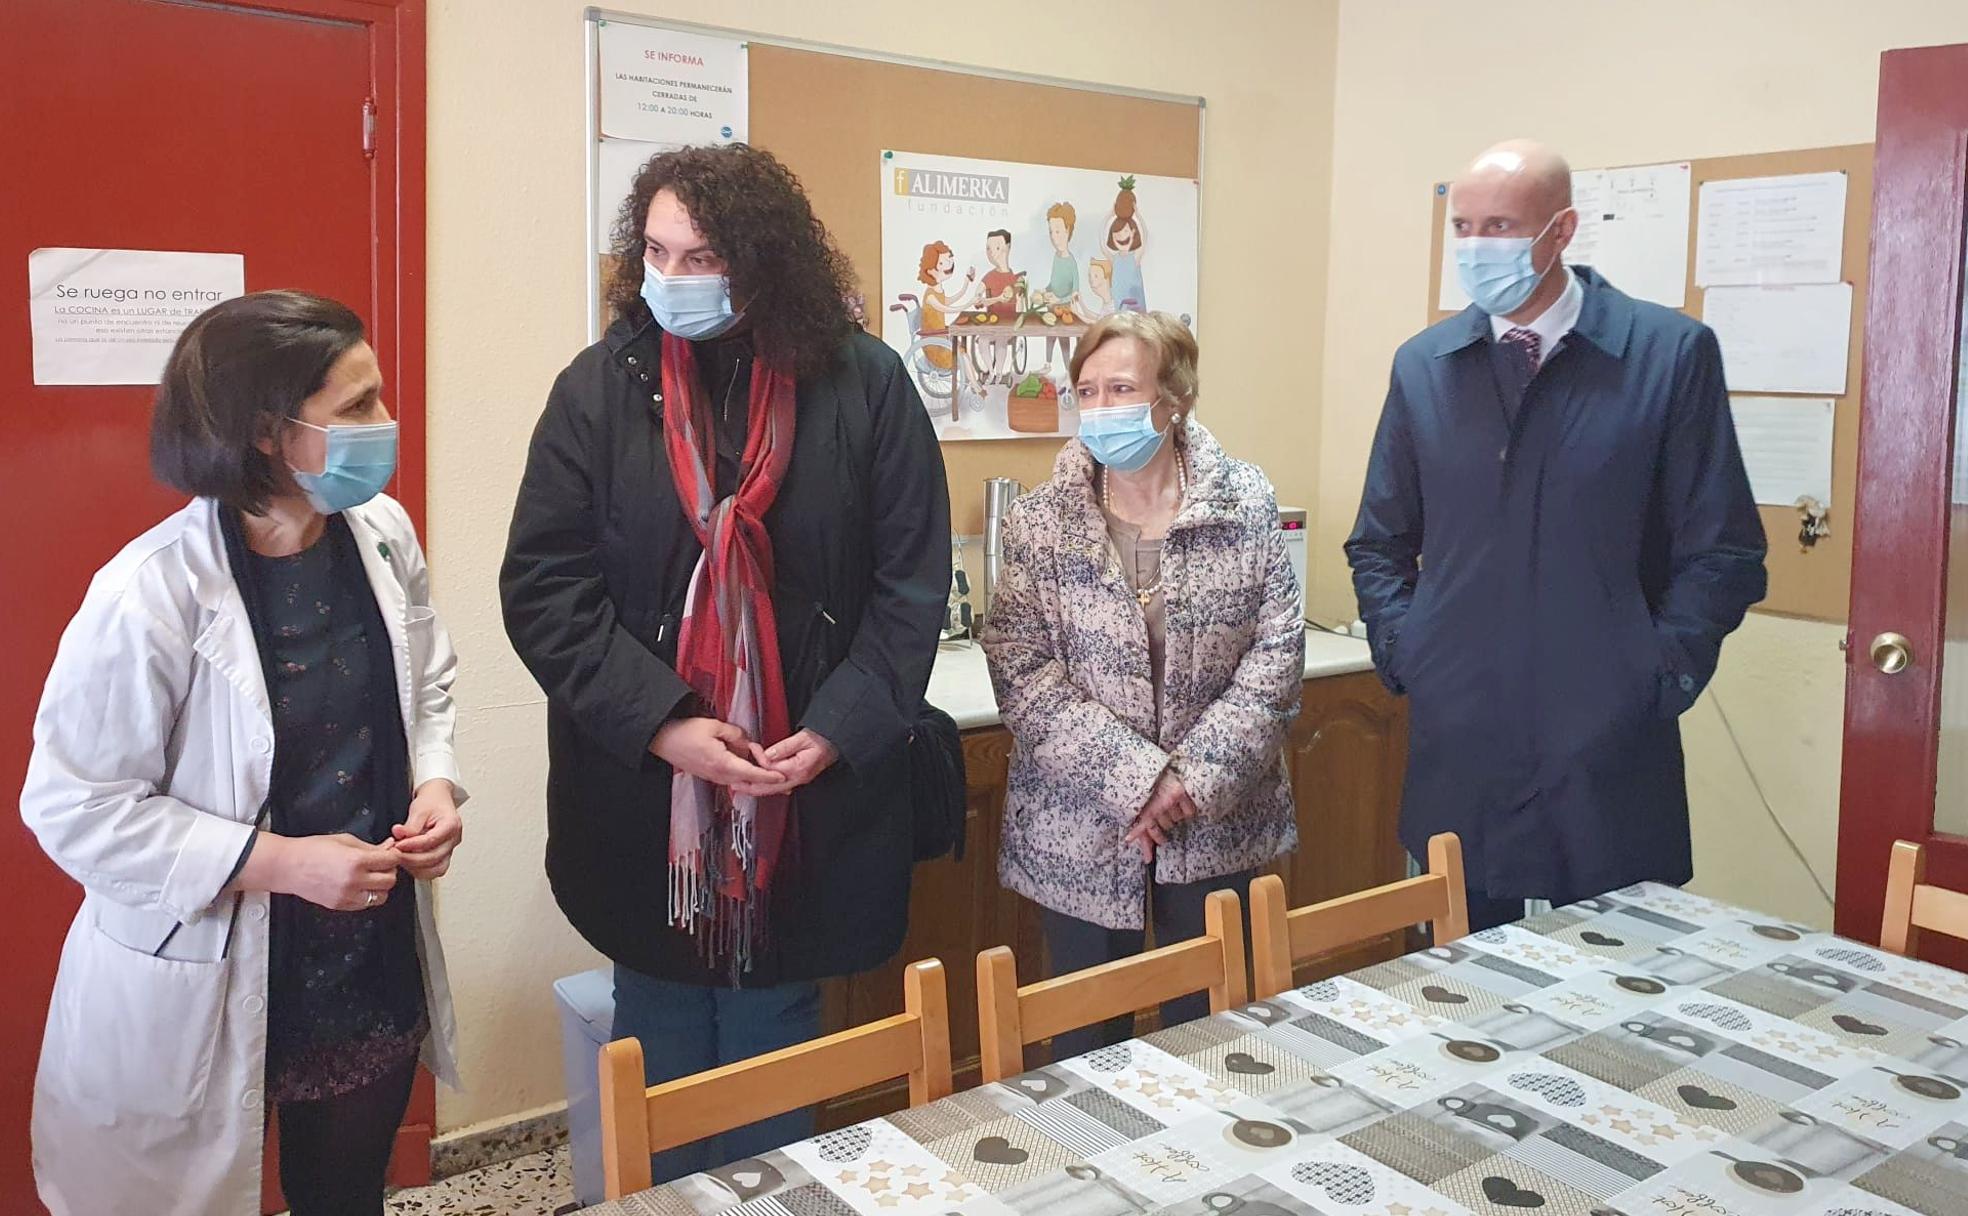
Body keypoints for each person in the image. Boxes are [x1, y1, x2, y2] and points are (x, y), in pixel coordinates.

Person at [501, 144, 950, 1181]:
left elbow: (911, 588)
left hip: (804, 797)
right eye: (656, 252)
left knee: (772, 1055)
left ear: (762, 261)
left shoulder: (867, 384)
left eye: (700, 257)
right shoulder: (598, 389)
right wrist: (663, 722)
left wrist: (835, 728)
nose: (672, 277)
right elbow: (544, 588)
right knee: (657, 1034)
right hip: (646, 801)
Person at [21, 291, 467, 1216]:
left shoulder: (383, 536)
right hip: (206, 963)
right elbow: (74, 807)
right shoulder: (148, 594)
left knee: (345, 1195)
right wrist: (281, 864)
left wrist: (434, 782)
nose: (385, 422)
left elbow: (426, 681)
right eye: (357, 405)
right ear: (267, 433)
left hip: (359, 958)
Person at [1346, 139, 1767, 932]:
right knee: (1458, 978)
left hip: (1606, 743)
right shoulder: (1427, 366)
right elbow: (1379, 541)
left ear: (1562, 229)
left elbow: (1724, 552)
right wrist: (1409, 650)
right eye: (1463, 226)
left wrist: (1656, 674)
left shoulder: (1666, 355)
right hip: (1462, 736)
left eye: (1500, 226)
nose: (1477, 247)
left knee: (1618, 974)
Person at [981, 311, 1302, 1058]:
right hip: (1081, 828)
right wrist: (1139, 781)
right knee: (1084, 1051)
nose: (1101, 409)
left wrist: (1188, 782)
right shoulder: (1040, 523)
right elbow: (1021, 668)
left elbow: (1277, 655)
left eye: (1121, 388)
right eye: (1087, 391)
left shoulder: (1245, 501)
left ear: (1174, 396)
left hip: (1216, 822)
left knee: (1216, 1039)